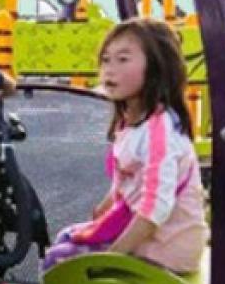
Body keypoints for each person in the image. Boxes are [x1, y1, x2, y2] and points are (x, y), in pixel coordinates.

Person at [41, 19, 208, 274]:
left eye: (122, 59)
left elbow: (154, 210)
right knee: (66, 238)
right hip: (145, 237)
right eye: (106, 60)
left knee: (60, 262)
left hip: (166, 250)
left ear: (155, 69)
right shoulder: (130, 121)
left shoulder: (159, 132)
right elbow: (128, 183)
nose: (109, 69)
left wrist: (110, 257)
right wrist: (105, 207)